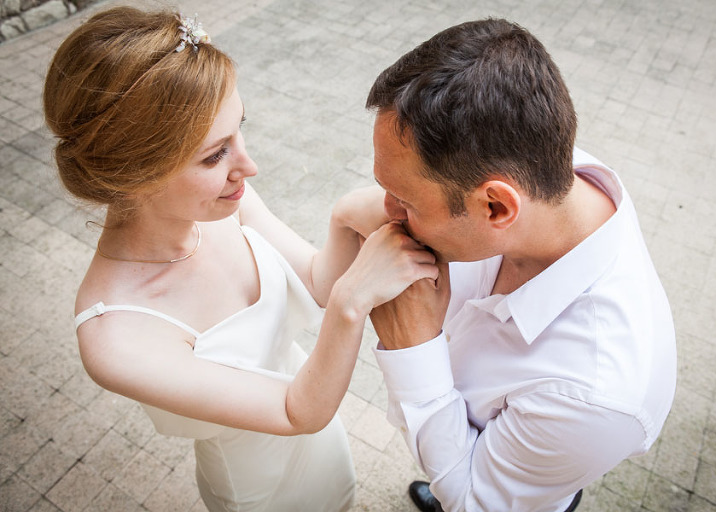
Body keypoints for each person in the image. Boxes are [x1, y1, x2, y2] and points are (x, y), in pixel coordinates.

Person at [43, 7, 439, 512]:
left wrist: (344, 217)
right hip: (259, 486)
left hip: (320, 444)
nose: (248, 167)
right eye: (215, 156)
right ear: (134, 175)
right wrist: (352, 301)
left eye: (239, 131)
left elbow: (317, 279)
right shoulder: (115, 336)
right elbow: (297, 410)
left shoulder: (219, 206)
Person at [352, 18, 677, 512]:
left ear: (497, 208)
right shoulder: (539, 167)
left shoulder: (595, 396)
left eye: (405, 200)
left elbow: (477, 501)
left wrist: (414, 349)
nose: (386, 212)